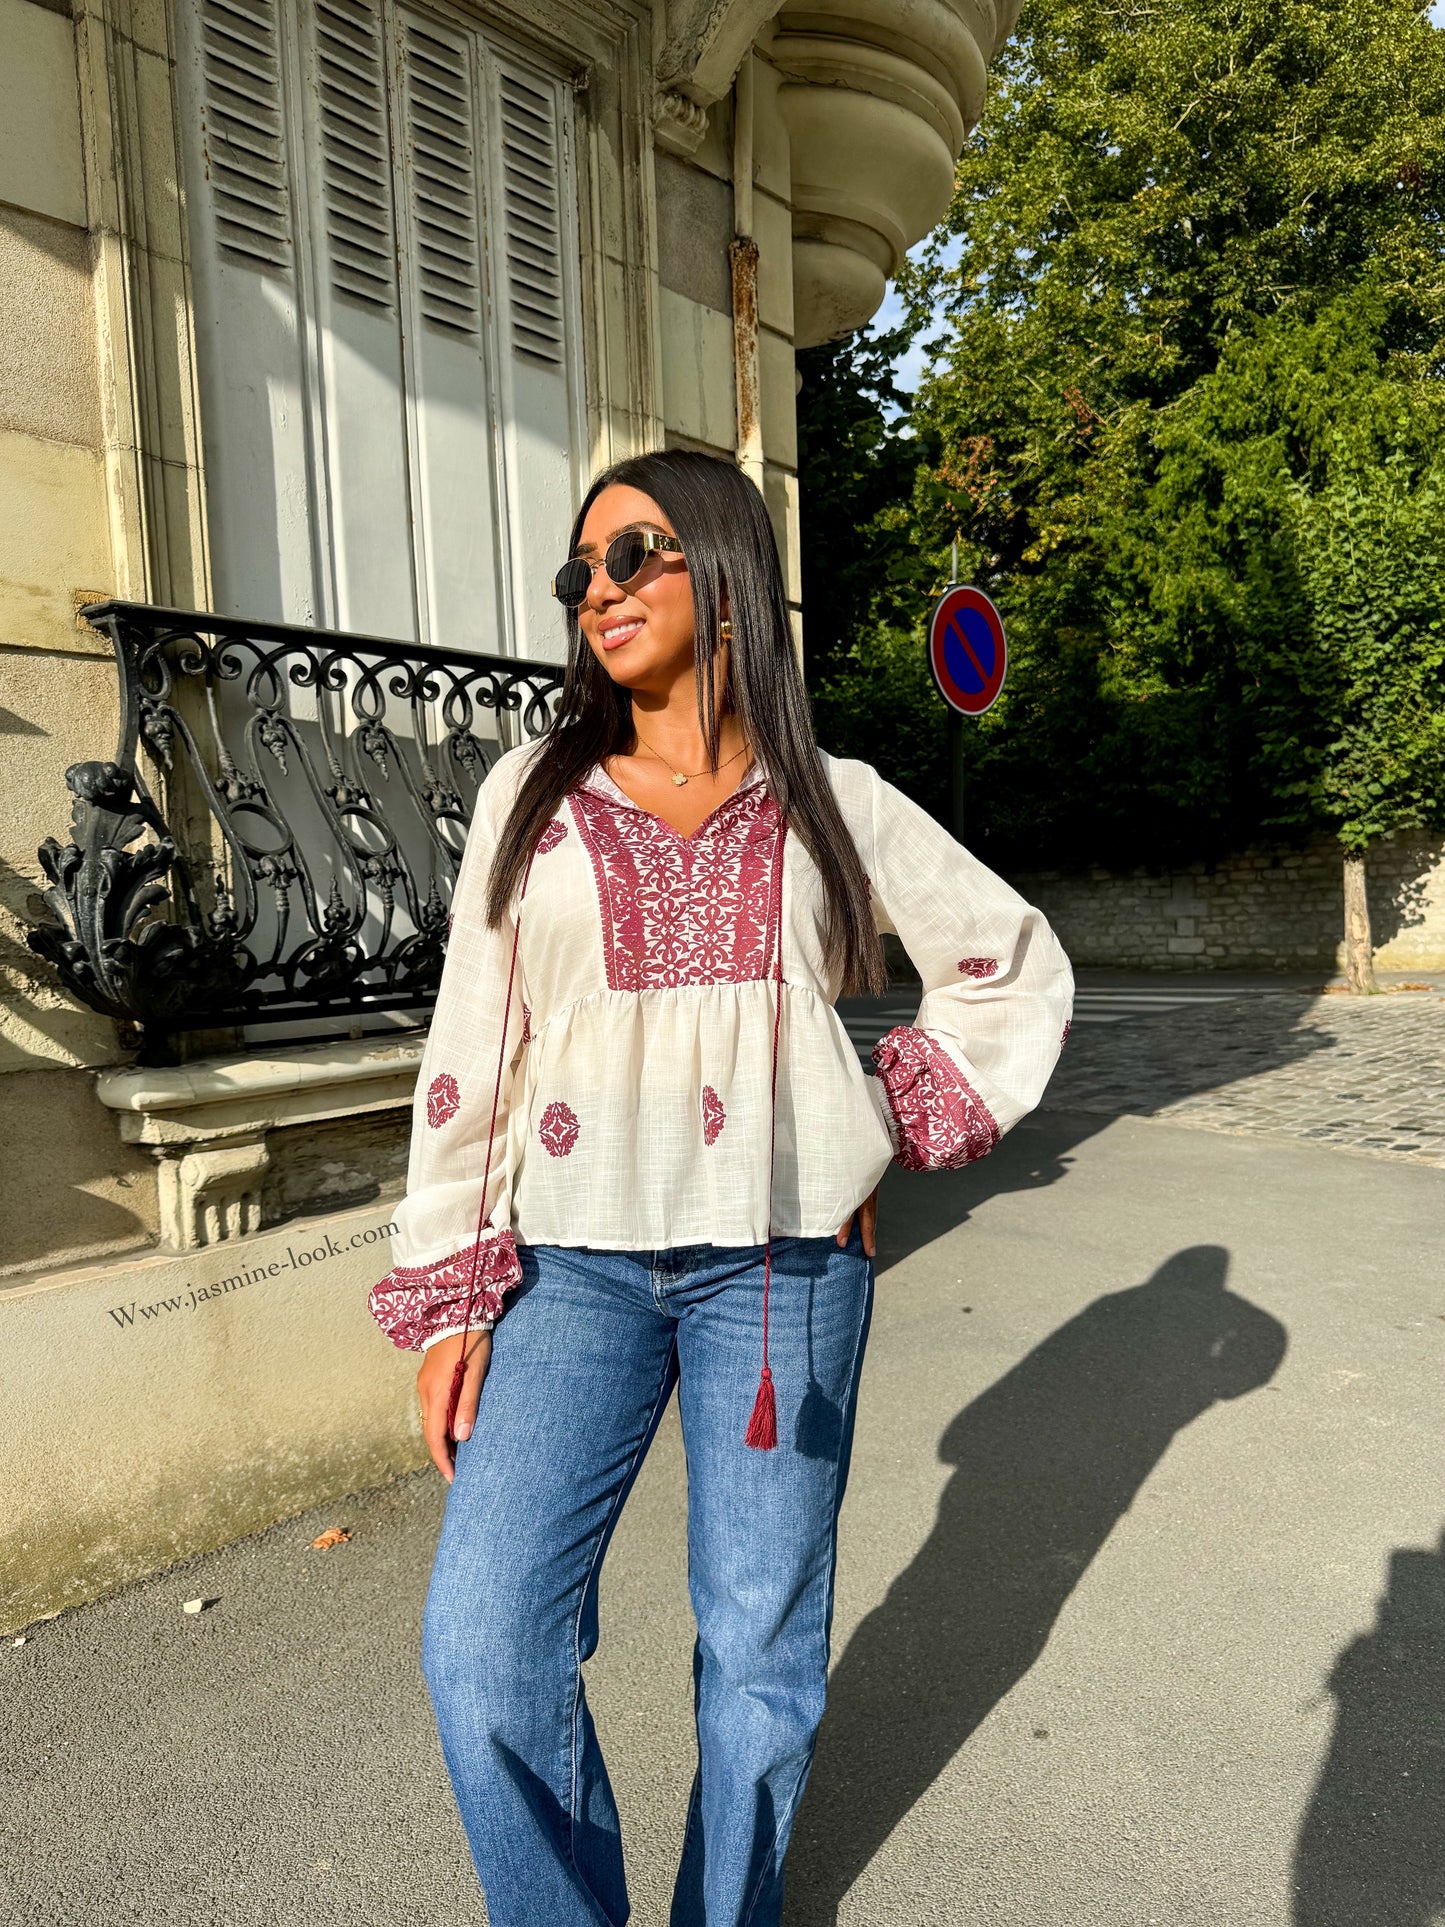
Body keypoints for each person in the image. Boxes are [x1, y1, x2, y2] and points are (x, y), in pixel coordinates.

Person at [368, 448, 1073, 1927]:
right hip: (567, 1269)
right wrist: (448, 1287)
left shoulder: (838, 799)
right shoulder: (531, 796)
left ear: (725, 567)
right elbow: (474, 1048)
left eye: (632, 555)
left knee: (757, 1651)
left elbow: (1005, 965)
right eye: (578, 575)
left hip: (780, 1275)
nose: (598, 592)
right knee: (483, 1640)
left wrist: (865, 1122)